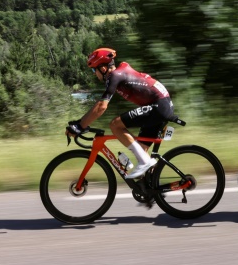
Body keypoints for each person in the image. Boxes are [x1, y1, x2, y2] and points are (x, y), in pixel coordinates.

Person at [65, 47, 175, 180]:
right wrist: (81, 123)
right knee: (141, 149)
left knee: (115, 125)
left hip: (159, 106)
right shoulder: (120, 73)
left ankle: (145, 163)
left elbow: (101, 106)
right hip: (161, 105)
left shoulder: (115, 76)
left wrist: (80, 125)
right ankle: (150, 194)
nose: (95, 74)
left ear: (103, 68)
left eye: (94, 70)